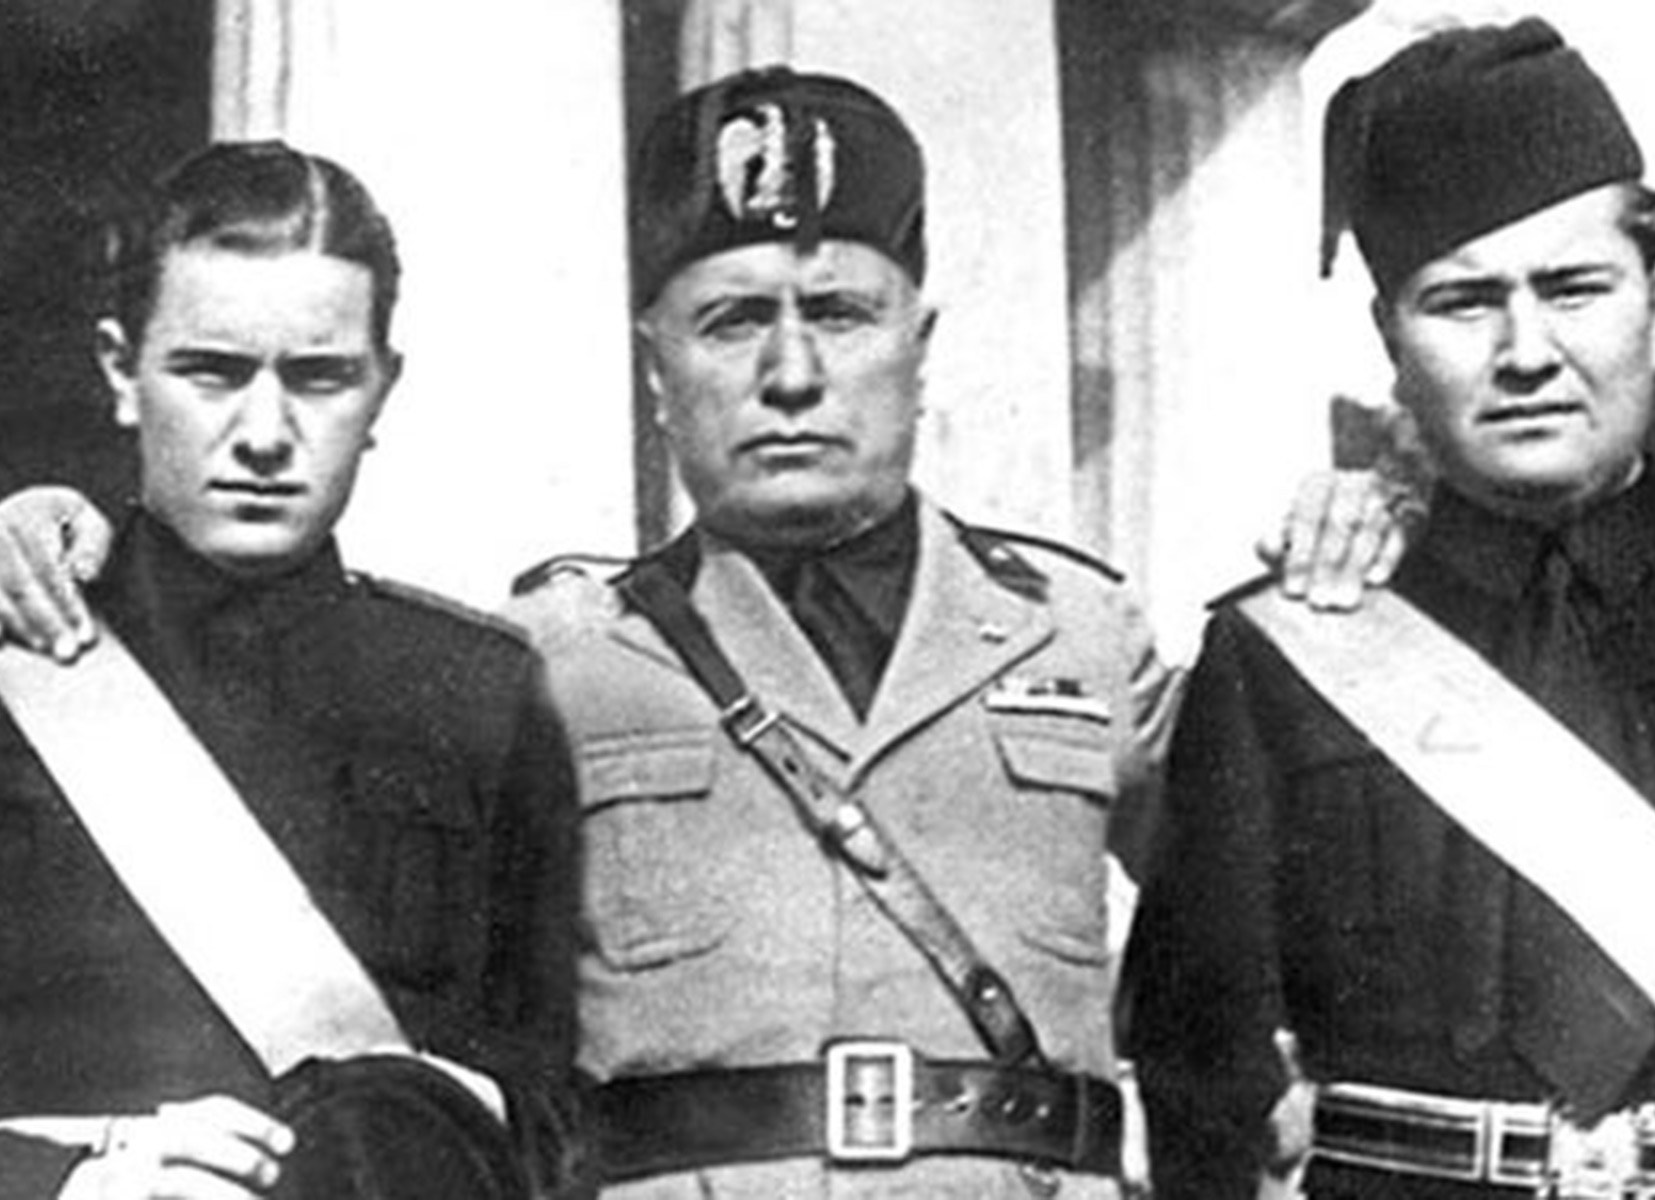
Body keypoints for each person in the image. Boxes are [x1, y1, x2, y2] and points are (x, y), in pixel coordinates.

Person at [0, 71, 1408, 1199]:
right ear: (655, 366)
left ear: (922, 340)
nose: (791, 373)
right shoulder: (544, 660)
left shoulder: (1084, 635)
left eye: (839, 313)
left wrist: (1393, 518)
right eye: (731, 321)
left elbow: (1324, 938)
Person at [1122, 17, 1655, 1199]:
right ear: (1389, 338)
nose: (1526, 350)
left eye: (1574, 287)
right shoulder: (1289, 651)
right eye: (1462, 301)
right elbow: (1198, 1079)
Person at [0, 141, 578, 1200]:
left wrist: (457, 1124)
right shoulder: (19, 665)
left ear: (383, 389)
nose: (265, 434)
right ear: (121, 371)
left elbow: (569, 1109)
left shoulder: (481, 694)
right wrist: (74, 1181)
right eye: (212, 372)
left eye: (319, 378)